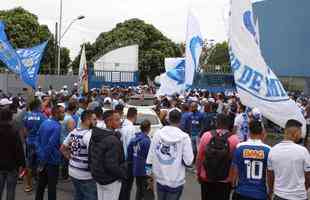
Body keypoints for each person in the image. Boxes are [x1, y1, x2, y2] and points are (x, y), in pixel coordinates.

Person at [147, 109, 194, 200]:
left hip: (160, 179)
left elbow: (150, 157)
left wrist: (148, 175)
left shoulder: (158, 134)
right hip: (176, 181)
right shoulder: (184, 137)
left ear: (168, 119)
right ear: (180, 120)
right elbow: (189, 161)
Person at [196, 114, 239, 200]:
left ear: (216, 123)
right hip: (225, 179)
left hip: (206, 176)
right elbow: (235, 163)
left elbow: (199, 157)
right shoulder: (235, 139)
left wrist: (198, 173)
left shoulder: (206, 135)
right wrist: (233, 179)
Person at [89, 110, 127, 200]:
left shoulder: (96, 134)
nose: (120, 121)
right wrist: (122, 174)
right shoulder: (112, 140)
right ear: (109, 122)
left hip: (99, 177)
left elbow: (91, 155)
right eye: (117, 120)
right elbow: (111, 165)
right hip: (110, 180)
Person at [267, 119, 310, 200]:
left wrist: (270, 191)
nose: (301, 135)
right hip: (299, 196)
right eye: (300, 132)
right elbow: (308, 176)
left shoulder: (273, 150)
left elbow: (270, 175)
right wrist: (302, 190)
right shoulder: (303, 151)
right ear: (295, 133)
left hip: (279, 195)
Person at [60, 110, 97, 200]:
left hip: (73, 171)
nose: (96, 122)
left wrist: (71, 158)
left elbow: (62, 148)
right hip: (85, 175)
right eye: (94, 119)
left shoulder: (74, 132)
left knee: (78, 195)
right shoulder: (88, 134)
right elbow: (94, 154)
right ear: (88, 121)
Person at [230, 120, 270, 200]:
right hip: (260, 193)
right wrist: (270, 191)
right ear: (262, 131)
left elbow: (234, 169)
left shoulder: (240, 147)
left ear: (249, 131)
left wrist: (233, 184)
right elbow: (269, 173)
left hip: (241, 191)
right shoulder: (268, 149)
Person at [35, 105, 65, 200]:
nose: (64, 114)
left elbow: (37, 140)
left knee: (41, 186)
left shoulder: (44, 122)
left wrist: (40, 156)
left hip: (42, 159)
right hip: (51, 161)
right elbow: (50, 145)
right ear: (56, 113)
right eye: (62, 112)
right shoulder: (57, 127)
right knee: (52, 188)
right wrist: (43, 160)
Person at [0, 108, 25, 200]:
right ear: (10, 117)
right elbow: (19, 149)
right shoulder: (14, 131)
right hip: (12, 165)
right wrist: (22, 164)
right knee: (10, 190)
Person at [23, 99, 47, 192]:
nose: (42, 106)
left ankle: (28, 185)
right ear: (37, 106)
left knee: (29, 164)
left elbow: (25, 131)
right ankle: (40, 185)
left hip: (29, 142)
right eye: (41, 105)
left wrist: (28, 138)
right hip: (39, 143)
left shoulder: (26, 116)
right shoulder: (43, 116)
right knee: (41, 163)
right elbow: (44, 130)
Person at [127, 120, 152, 200]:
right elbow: (149, 158)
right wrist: (150, 172)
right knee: (147, 192)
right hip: (144, 170)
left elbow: (129, 153)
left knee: (139, 189)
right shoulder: (147, 141)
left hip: (136, 168)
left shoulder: (134, 139)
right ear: (148, 128)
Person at [119, 107, 138, 200]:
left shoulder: (122, 125)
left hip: (120, 160)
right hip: (127, 162)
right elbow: (131, 147)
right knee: (126, 187)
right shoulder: (131, 128)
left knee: (122, 186)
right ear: (135, 116)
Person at [60, 101, 77, 179]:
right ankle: (65, 175)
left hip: (60, 140)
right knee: (66, 159)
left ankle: (63, 173)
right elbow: (72, 133)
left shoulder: (62, 116)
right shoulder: (70, 119)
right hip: (66, 141)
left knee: (62, 158)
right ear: (74, 110)